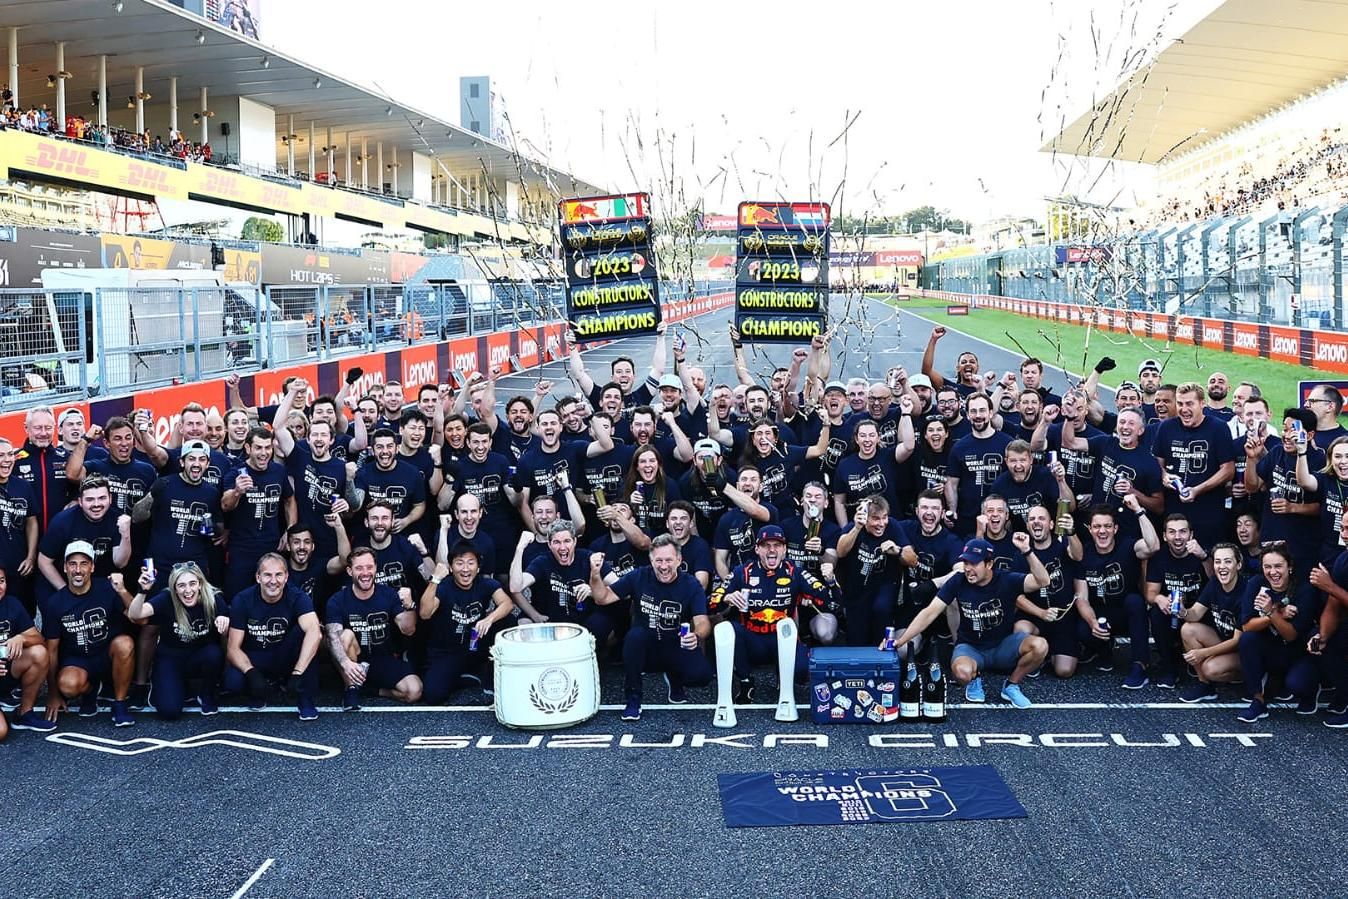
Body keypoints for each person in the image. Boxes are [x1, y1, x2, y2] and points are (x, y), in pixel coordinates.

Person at [888, 535, 1051, 708]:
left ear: (989, 564)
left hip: (1003, 645)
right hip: (971, 647)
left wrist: (1027, 550)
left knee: (1040, 646)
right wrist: (900, 640)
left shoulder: (1006, 579)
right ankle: (974, 679)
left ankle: (1012, 685)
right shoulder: (957, 581)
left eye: (974, 564)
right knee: (961, 672)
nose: (968, 569)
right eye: (966, 563)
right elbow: (929, 613)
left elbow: (1043, 581)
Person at [589, 534, 713, 720]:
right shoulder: (639, 576)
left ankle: (675, 677)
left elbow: (703, 621)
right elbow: (602, 598)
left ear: (679, 560)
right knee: (634, 637)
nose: (663, 566)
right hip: (645, 647)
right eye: (659, 560)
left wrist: (696, 636)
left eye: (669, 560)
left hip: (675, 643)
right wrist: (595, 574)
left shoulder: (691, 585)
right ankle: (633, 699)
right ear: (651, 560)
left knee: (702, 676)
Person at [714, 525, 837, 703]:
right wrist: (726, 597)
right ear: (757, 549)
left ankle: (784, 676)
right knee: (727, 629)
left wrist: (831, 581)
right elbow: (709, 604)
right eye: (766, 545)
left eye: (777, 545)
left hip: (783, 638)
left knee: (802, 672)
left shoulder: (795, 572)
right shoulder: (742, 572)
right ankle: (746, 682)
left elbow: (831, 603)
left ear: (785, 549)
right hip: (752, 638)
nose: (772, 550)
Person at [41, 541, 136, 726]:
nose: (78, 570)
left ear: (92, 567)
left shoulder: (107, 588)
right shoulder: (55, 603)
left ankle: (120, 703)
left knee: (125, 643)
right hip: (77, 660)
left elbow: (138, 618)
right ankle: (91, 690)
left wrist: (122, 590)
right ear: (65, 568)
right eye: (72, 564)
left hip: (106, 653)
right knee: (67, 686)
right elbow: (51, 650)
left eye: (84, 563)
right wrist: (53, 694)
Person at [223, 553, 323, 720]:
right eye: (267, 575)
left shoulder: (298, 597)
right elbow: (233, 648)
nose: (273, 580)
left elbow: (315, 633)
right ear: (258, 577)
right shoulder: (243, 600)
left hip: (284, 654)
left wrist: (298, 673)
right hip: (255, 655)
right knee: (232, 682)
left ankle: (305, 697)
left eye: (279, 575)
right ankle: (259, 690)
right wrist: (251, 673)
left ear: (286, 577)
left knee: (305, 634)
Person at [125, 562, 229, 719]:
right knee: (169, 712)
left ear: (200, 584)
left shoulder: (213, 597)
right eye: (181, 585)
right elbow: (135, 614)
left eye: (192, 584)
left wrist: (224, 619)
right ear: (174, 588)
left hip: (199, 656)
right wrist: (143, 591)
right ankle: (165, 685)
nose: (188, 590)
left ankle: (206, 693)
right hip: (170, 658)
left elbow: (226, 621)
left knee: (214, 653)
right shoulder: (167, 598)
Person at [324, 547, 421, 710]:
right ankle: (351, 689)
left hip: (382, 658)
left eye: (369, 567)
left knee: (414, 691)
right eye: (359, 568)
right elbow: (332, 637)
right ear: (349, 571)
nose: (365, 573)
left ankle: (372, 690)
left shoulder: (388, 594)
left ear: (375, 568)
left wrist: (409, 606)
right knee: (345, 635)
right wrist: (345, 663)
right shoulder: (337, 600)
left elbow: (408, 629)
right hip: (353, 659)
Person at [1235, 543, 1322, 723]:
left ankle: (1311, 689)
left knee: (1296, 685)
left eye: (1278, 566)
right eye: (1267, 567)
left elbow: (1291, 635)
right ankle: (1258, 701)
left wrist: (1271, 612)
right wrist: (1274, 613)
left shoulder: (1303, 589)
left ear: (1289, 567)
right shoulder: (1256, 583)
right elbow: (1247, 626)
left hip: (1298, 652)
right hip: (1271, 648)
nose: (1272, 572)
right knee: (1247, 640)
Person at [419, 542, 514, 703]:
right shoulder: (443, 587)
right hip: (447, 651)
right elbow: (424, 613)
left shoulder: (485, 584)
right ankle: (463, 677)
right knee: (433, 695)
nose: (465, 569)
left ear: (477, 568)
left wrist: (488, 618)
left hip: (474, 644)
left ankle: (491, 678)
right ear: (451, 567)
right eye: (459, 563)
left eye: (471, 563)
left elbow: (507, 603)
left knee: (507, 621)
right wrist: (434, 579)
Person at [131, 440, 224, 589]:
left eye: (202, 459)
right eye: (191, 459)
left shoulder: (211, 493)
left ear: (207, 464)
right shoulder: (165, 484)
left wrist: (213, 528)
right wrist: (152, 495)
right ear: (182, 462)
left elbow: (218, 526)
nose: (196, 464)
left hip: (193, 567)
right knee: (153, 609)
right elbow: (137, 516)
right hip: (160, 565)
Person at [221, 427, 294, 600]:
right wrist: (237, 491)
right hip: (242, 548)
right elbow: (225, 505)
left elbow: (289, 500)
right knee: (238, 597)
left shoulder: (278, 471)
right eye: (258, 448)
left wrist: (290, 530)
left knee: (273, 596)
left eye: (267, 447)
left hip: (272, 546)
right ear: (248, 448)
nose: (264, 453)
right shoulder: (236, 473)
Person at [1139, 513, 1210, 690]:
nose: (1177, 537)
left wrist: (1203, 557)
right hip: (1172, 609)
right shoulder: (1159, 557)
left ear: (1191, 534)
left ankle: (1199, 663)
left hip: (1200, 610)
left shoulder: (1201, 553)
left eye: (1182, 532)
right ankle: (1169, 669)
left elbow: (1218, 582)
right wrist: (1159, 598)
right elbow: (1150, 593)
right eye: (1172, 532)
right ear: (1164, 536)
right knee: (1156, 613)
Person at [1177, 543, 1248, 702]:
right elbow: (1195, 613)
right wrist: (1182, 611)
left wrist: (1202, 654)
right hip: (1224, 640)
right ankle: (1205, 686)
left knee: (1210, 668)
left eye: (1228, 561)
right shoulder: (1215, 583)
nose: (1222, 566)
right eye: (1217, 561)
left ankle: (1251, 678)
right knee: (1188, 629)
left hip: (1245, 651)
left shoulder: (1245, 591)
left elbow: (1237, 641)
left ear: (1239, 564)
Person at [0, 566, 54, 735]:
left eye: (1, 581)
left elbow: (38, 639)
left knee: (39, 653)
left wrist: (21, 638)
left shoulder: (12, 603)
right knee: (1, 732)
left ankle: (24, 713)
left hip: (7, 670)